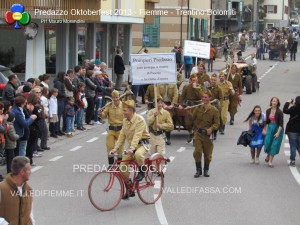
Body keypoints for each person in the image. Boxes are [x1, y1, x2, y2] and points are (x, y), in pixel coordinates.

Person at [110, 99, 150, 185]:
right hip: (132, 146)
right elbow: (122, 136)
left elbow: (137, 135)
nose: (123, 112)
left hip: (142, 144)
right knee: (122, 167)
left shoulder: (140, 120)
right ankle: (129, 187)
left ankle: (142, 171)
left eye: (125, 110)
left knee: (138, 154)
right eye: (122, 110)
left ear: (131, 110)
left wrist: (131, 148)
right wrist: (115, 148)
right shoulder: (124, 121)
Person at [0, 156, 35, 224]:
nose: (31, 172)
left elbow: (30, 214)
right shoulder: (2, 188)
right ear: (22, 172)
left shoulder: (28, 189)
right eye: (29, 170)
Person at [192, 90, 219, 178]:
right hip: (198, 133)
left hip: (208, 135)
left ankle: (206, 170)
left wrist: (212, 129)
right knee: (197, 152)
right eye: (203, 97)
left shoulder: (214, 110)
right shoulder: (198, 108)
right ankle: (198, 170)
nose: (204, 98)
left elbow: (217, 123)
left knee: (208, 154)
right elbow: (193, 118)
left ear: (210, 98)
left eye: (206, 97)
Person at [99, 90, 124, 167]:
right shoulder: (108, 105)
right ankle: (110, 164)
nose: (115, 99)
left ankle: (119, 165)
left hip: (120, 130)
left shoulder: (124, 105)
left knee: (119, 148)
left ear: (119, 96)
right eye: (113, 97)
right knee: (110, 147)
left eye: (116, 97)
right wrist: (100, 113)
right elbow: (104, 116)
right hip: (111, 129)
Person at [178, 74, 204, 143]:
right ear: (190, 80)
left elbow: (202, 96)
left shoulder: (200, 87)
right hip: (189, 106)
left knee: (196, 122)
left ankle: (196, 137)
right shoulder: (186, 87)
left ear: (197, 80)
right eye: (193, 80)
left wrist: (196, 89)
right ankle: (191, 133)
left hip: (197, 106)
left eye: (195, 80)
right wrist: (180, 104)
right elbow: (182, 96)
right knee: (188, 123)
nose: (194, 82)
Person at [263, 97, 284, 167]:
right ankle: (268, 154)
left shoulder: (279, 112)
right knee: (268, 142)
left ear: (278, 103)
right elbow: (266, 121)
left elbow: (281, 124)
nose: (274, 102)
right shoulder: (268, 110)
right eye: (273, 101)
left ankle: (270, 161)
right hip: (270, 127)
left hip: (278, 129)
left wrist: (278, 133)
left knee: (274, 144)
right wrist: (265, 129)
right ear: (271, 102)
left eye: (276, 101)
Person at [283, 96, 300, 167]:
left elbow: (285, 110)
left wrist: (288, 102)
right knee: (299, 146)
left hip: (292, 130)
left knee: (293, 146)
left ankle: (292, 161)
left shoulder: (293, 108)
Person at [207, 74, 223, 140]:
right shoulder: (207, 88)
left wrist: (219, 106)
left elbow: (221, 98)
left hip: (216, 107)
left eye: (214, 80)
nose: (213, 81)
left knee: (216, 121)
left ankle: (215, 132)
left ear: (216, 81)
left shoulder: (219, 89)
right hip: (208, 106)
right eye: (212, 80)